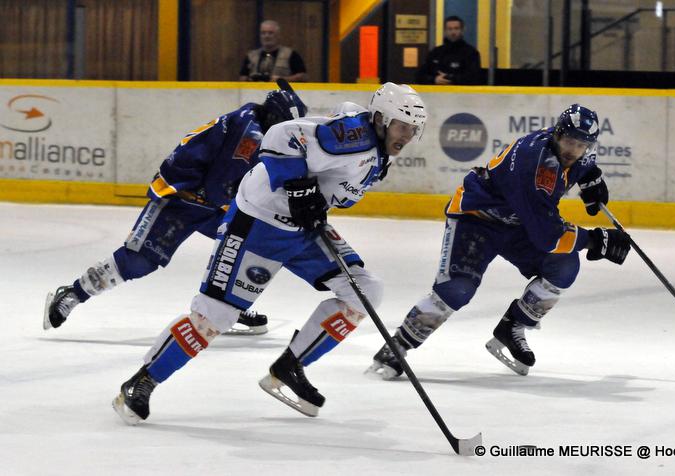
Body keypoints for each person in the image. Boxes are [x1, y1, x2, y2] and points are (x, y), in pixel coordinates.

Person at [111, 83, 428, 424]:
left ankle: (290, 367)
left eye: (413, 129)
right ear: (380, 119)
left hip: (302, 229)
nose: (407, 135)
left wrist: (308, 198)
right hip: (257, 224)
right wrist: (299, 187)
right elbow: (280, 136)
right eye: (402, 126)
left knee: (365, 289)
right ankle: (142, 381)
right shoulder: (356, 136)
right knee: (215, 316)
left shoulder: (377, 148)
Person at [367, 104, 631, 379]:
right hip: (477, 220)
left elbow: (582, 165)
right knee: (458, 288)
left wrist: (590, 178)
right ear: (557, 134)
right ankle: (397, 345)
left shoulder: (572, 150)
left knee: (563, 265)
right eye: (569, 142)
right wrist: (595, 240)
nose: (573, 150)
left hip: (518, 225)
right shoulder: (536, 166)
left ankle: (512, 327)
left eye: (581, 145)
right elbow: (548, 236)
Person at [44, 89, 308, 336]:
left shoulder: (254, 121)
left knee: (242, 246)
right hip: (182, 196)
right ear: (273, 118)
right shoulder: (250, 137)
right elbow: (222, 186)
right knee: (139, 260)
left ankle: (224, 308)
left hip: (209, 199)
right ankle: (72, 294)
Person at [415, 15, 482, 86]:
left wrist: (451, 78)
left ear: (462, 30)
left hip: (461, 92)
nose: (453, 32)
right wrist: (434, 79)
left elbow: (475, 78)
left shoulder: (471, 53)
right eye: (449, 29)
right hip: (437, 92)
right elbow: (419, 76)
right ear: (444, 31)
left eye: (456, 28)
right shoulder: (436, 52)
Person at [239, 20, 308, 82]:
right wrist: (250, 79)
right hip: (255, 91)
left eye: (270, 33)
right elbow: (242, 77)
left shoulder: (290, 54)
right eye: (263, 33)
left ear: (278, 35)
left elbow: (303, 77)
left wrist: (281, 80)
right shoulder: (251, 56)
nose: (266, 36)